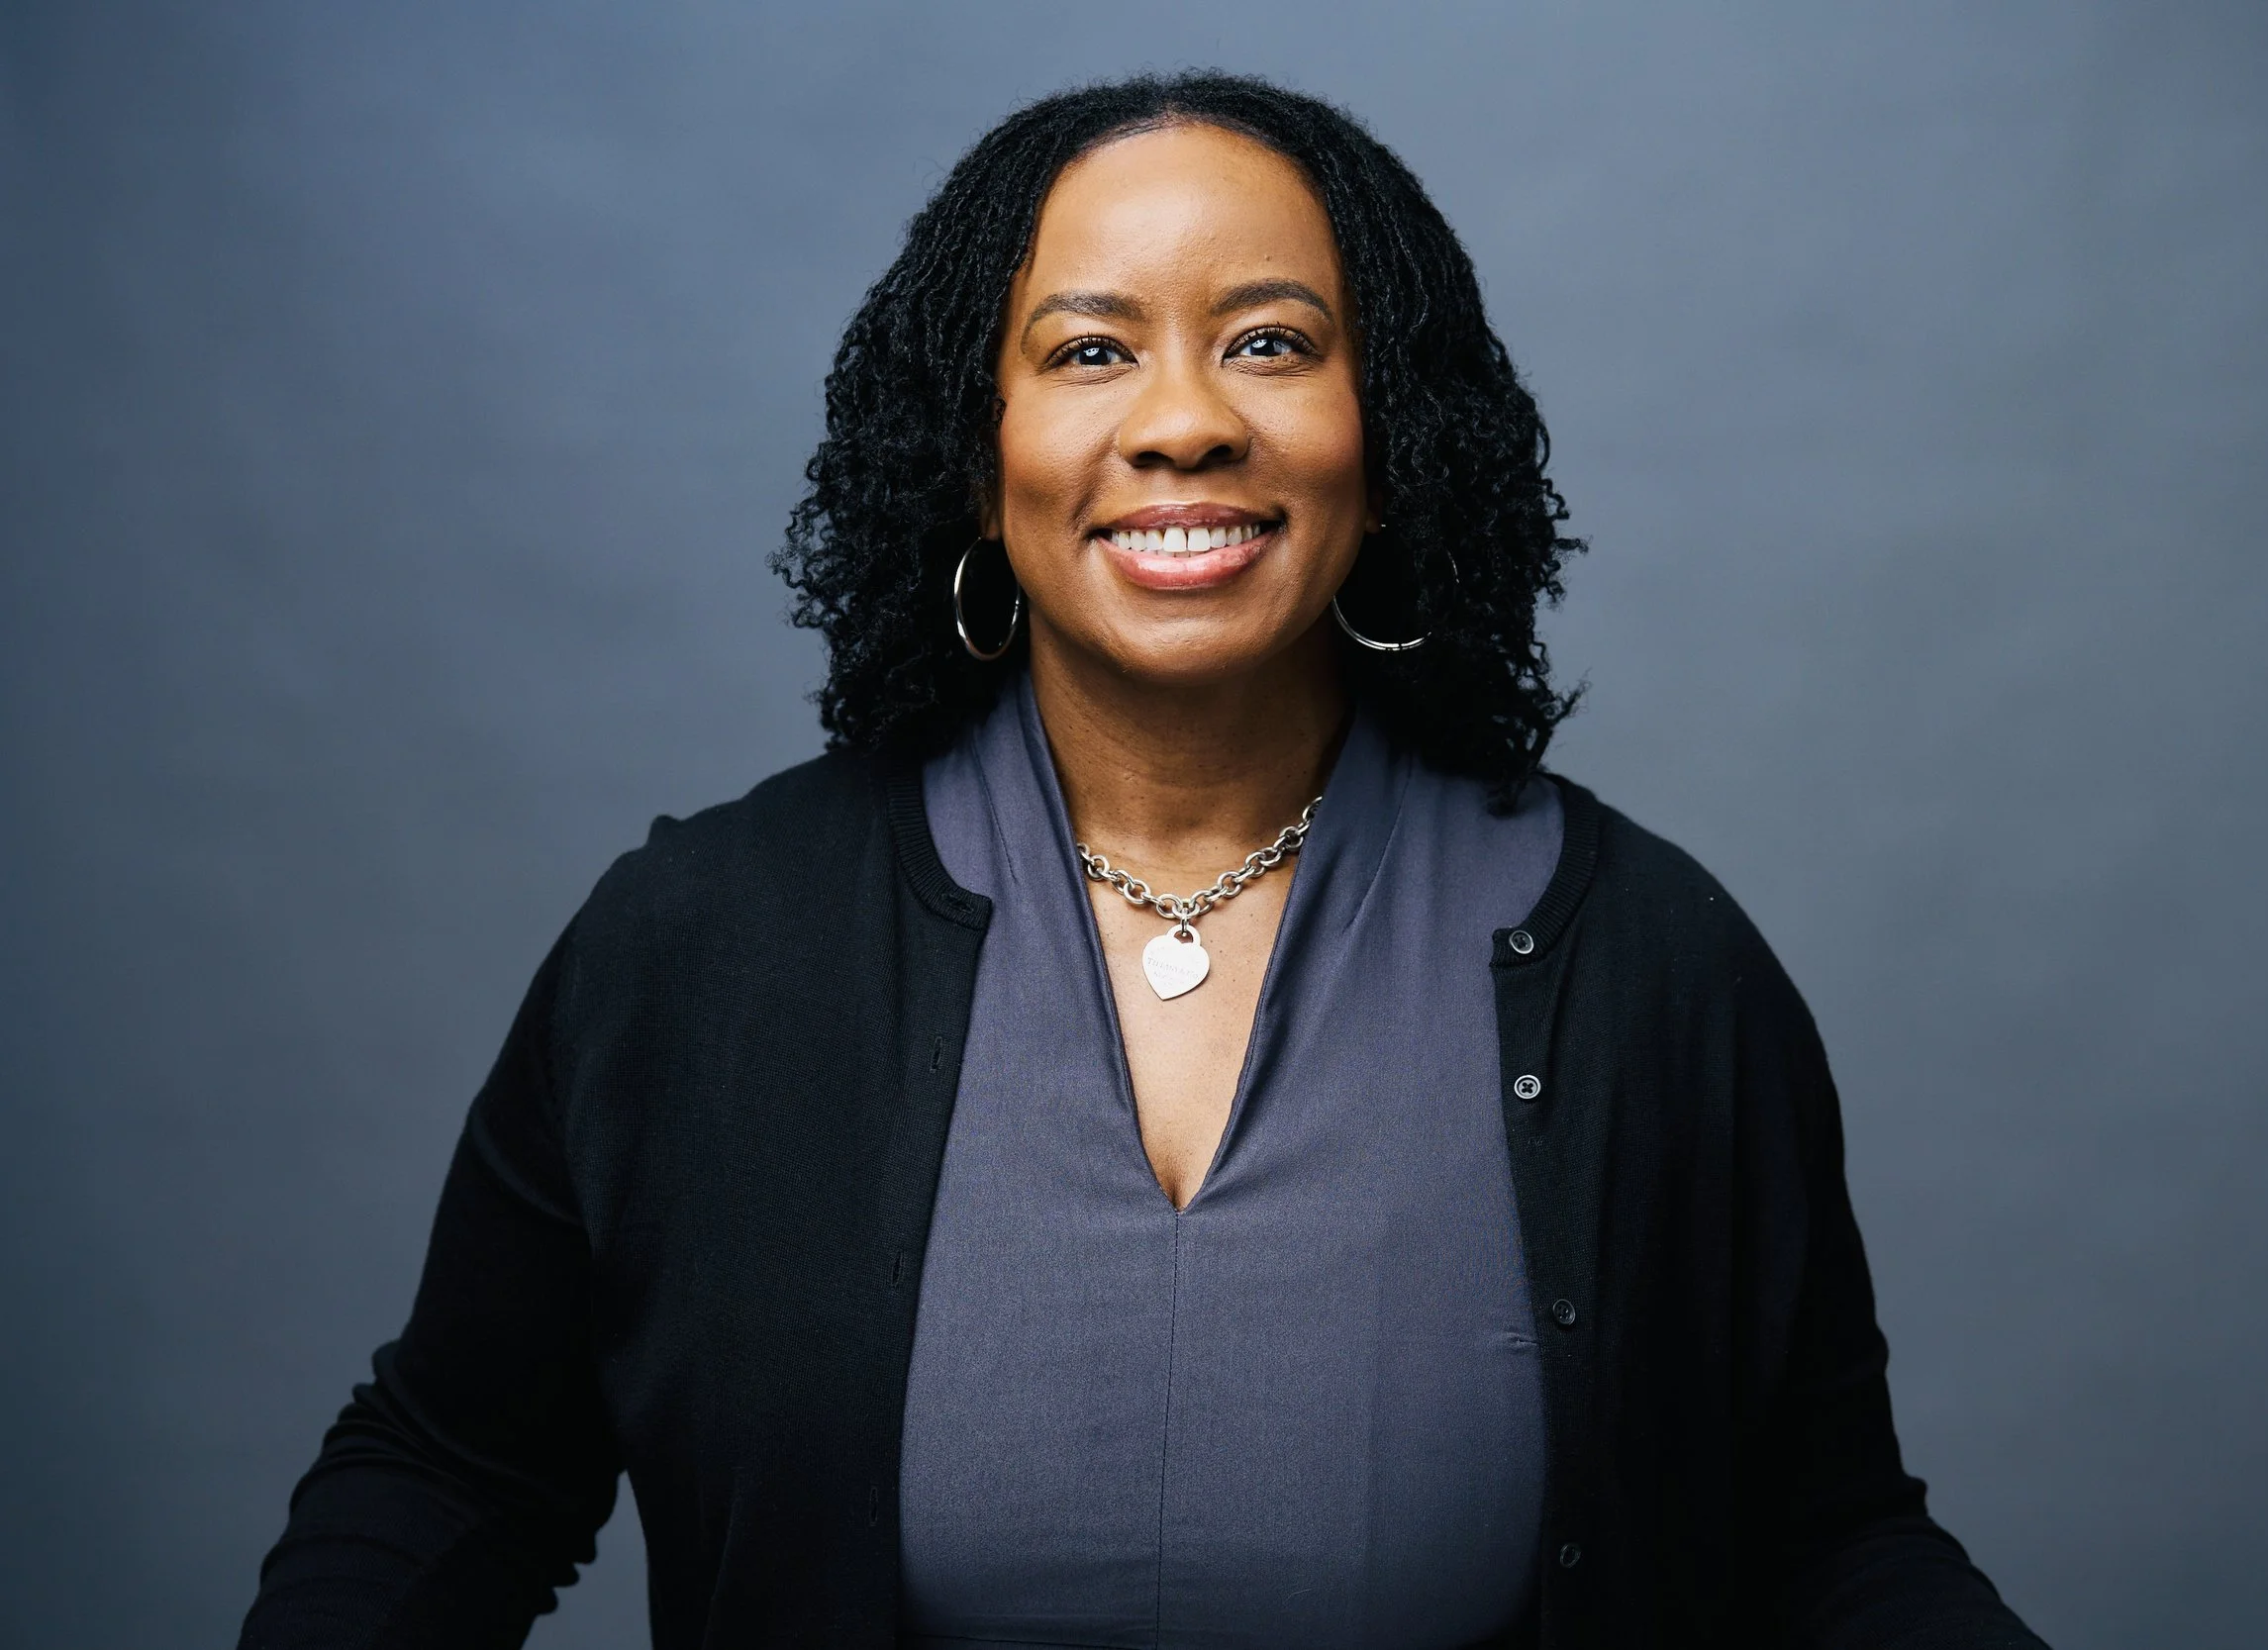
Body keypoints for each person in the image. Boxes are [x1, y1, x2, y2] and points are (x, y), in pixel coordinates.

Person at [240, 72, 2046, 1650]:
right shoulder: (696, 950)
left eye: (1270, 342)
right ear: (978, 458)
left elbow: (1826, 1535)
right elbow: (454, 1471)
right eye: (1090, 350)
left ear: (1389, 447)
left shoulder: (1651, 964)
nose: (1185, 420)